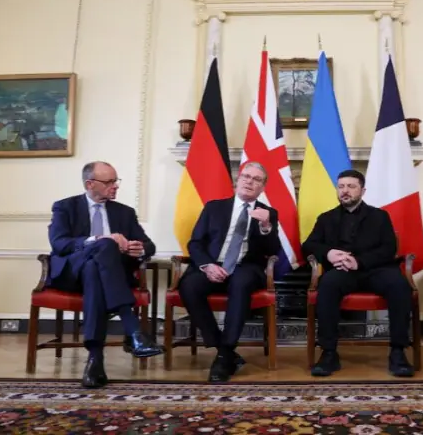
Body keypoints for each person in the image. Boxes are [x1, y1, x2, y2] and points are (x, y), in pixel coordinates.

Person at [47, 161, 164, 389]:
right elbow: (59, 243)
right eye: (109, 182)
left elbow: (149, 245)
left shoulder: (124, 212)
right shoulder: (64, 207)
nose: (115, 186)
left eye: (116, 181)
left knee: (94, 270)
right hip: (73, 275)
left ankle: (95, 360)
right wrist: (100, 240)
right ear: (90, 184)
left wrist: (139, 248)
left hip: (102, 277)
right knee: (105, 246)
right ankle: (133, 330)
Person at [301, 169, 414, 378]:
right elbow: (308, 245)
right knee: (327, 285)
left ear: (362, 190)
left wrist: (358, 262)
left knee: (399, 285)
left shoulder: (380, 216)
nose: (345, 191)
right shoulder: (326, 218)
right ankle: (328, 353)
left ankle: (398, 352)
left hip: (375, 269)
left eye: (351, 187)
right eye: (341, 186)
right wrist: (330, 253)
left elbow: (388, 249)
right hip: (342, 272)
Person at [179, 161, 280, 382]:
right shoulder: (214, 207)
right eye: (246, 177)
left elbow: (273, 252)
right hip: (213, 265)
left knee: (241, 282)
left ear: (263, 187)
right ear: (238, 180)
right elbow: (195, 243)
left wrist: (266, 227)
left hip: (246, 268)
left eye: (256, 180)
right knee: (189, 285)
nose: (249, 182)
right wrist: (207, 265)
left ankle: (225, 355)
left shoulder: (268, 213)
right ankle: (224, 349)